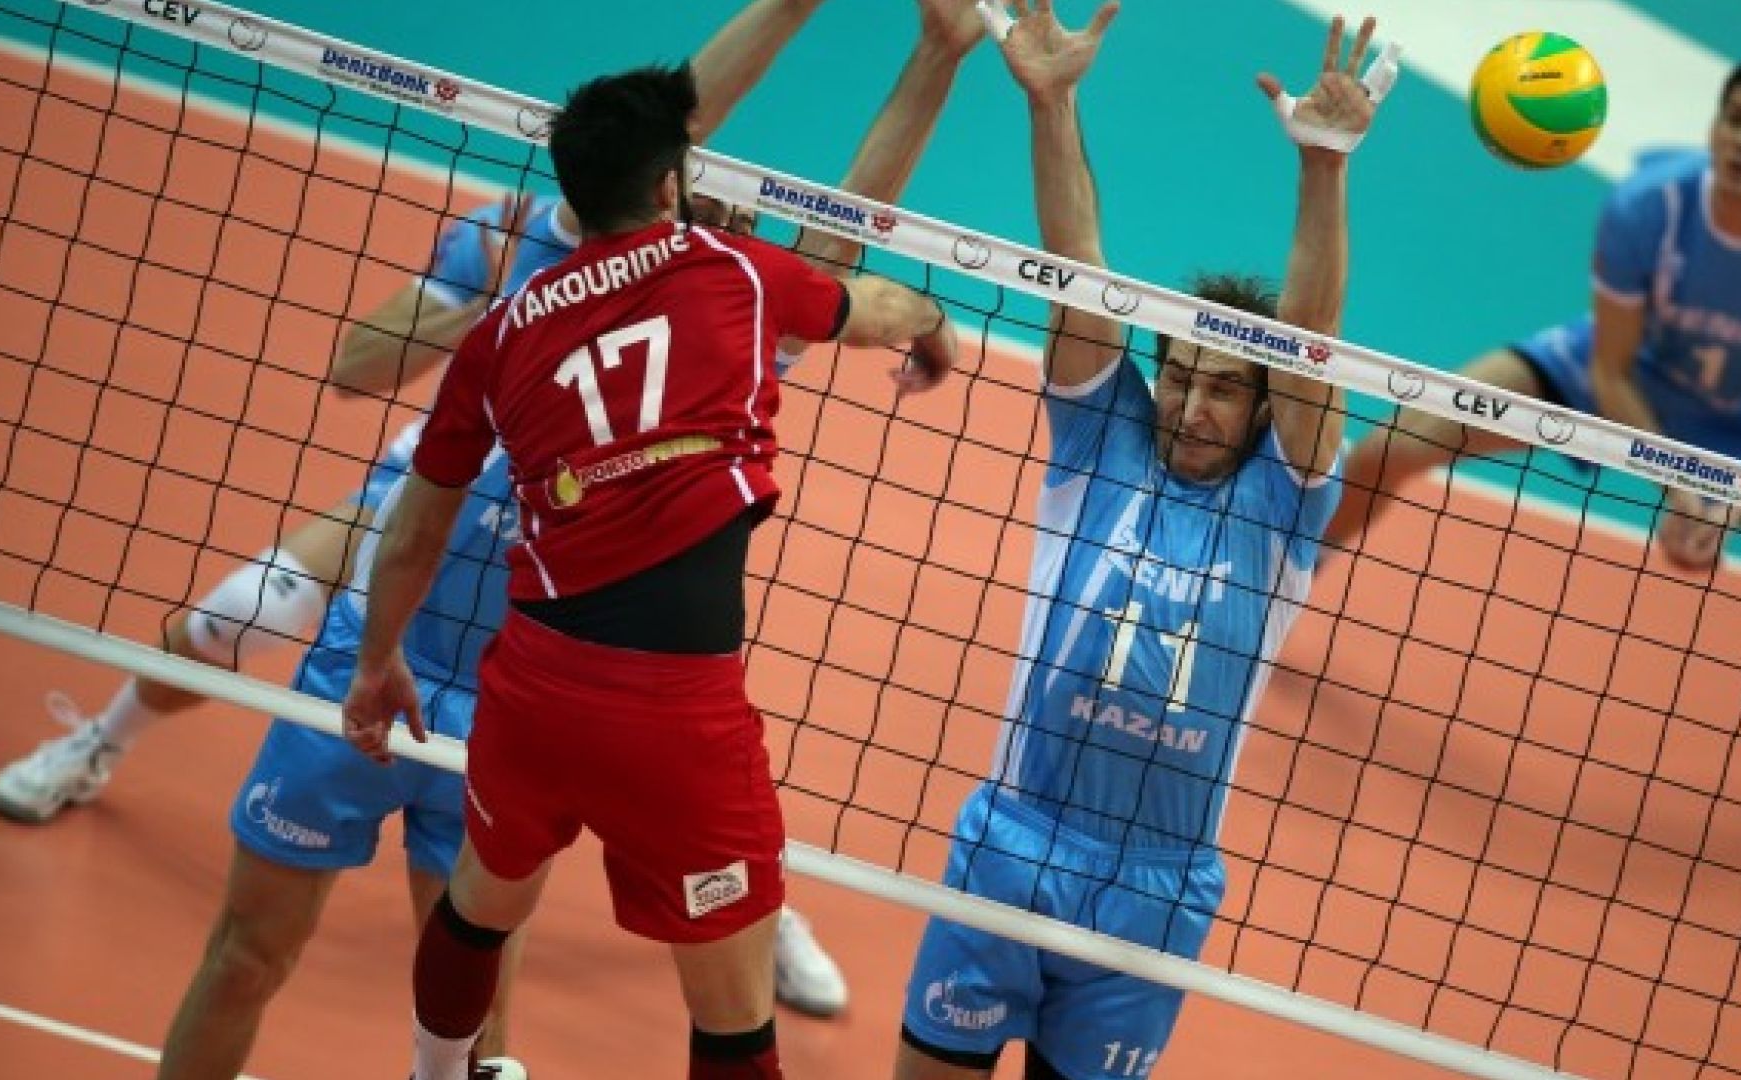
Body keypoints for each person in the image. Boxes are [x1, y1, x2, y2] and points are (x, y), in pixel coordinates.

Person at [340, 59, 958, 1080]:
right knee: (733, 1017)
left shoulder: (501, 333)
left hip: (532, 686)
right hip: (677, 717)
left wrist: (376, 663)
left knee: (480, 904)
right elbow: (877, 305)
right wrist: (930, 327)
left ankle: (434, 1073)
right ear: (671, 184)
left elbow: (412, 531)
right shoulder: (735, 272)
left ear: (573, 194)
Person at [1323, 55, 1741, 917]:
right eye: (1736, 118)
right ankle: (1281, 585)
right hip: (1616, 387)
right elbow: (1613, 368)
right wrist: (1675, 482)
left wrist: (1730, 498)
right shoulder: (1648, 207)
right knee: (1402, 439)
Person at [894, 4, 1387, 1078]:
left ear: (1262, 411)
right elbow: (1075, 262)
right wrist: (1052, 102)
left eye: (1224, 390)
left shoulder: (1282, 505)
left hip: (1155, 891)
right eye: (1178, 377)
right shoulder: (1100, 443)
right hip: (1013, 844)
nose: (1191, 407)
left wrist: (1322, 167)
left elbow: (1311, 345)